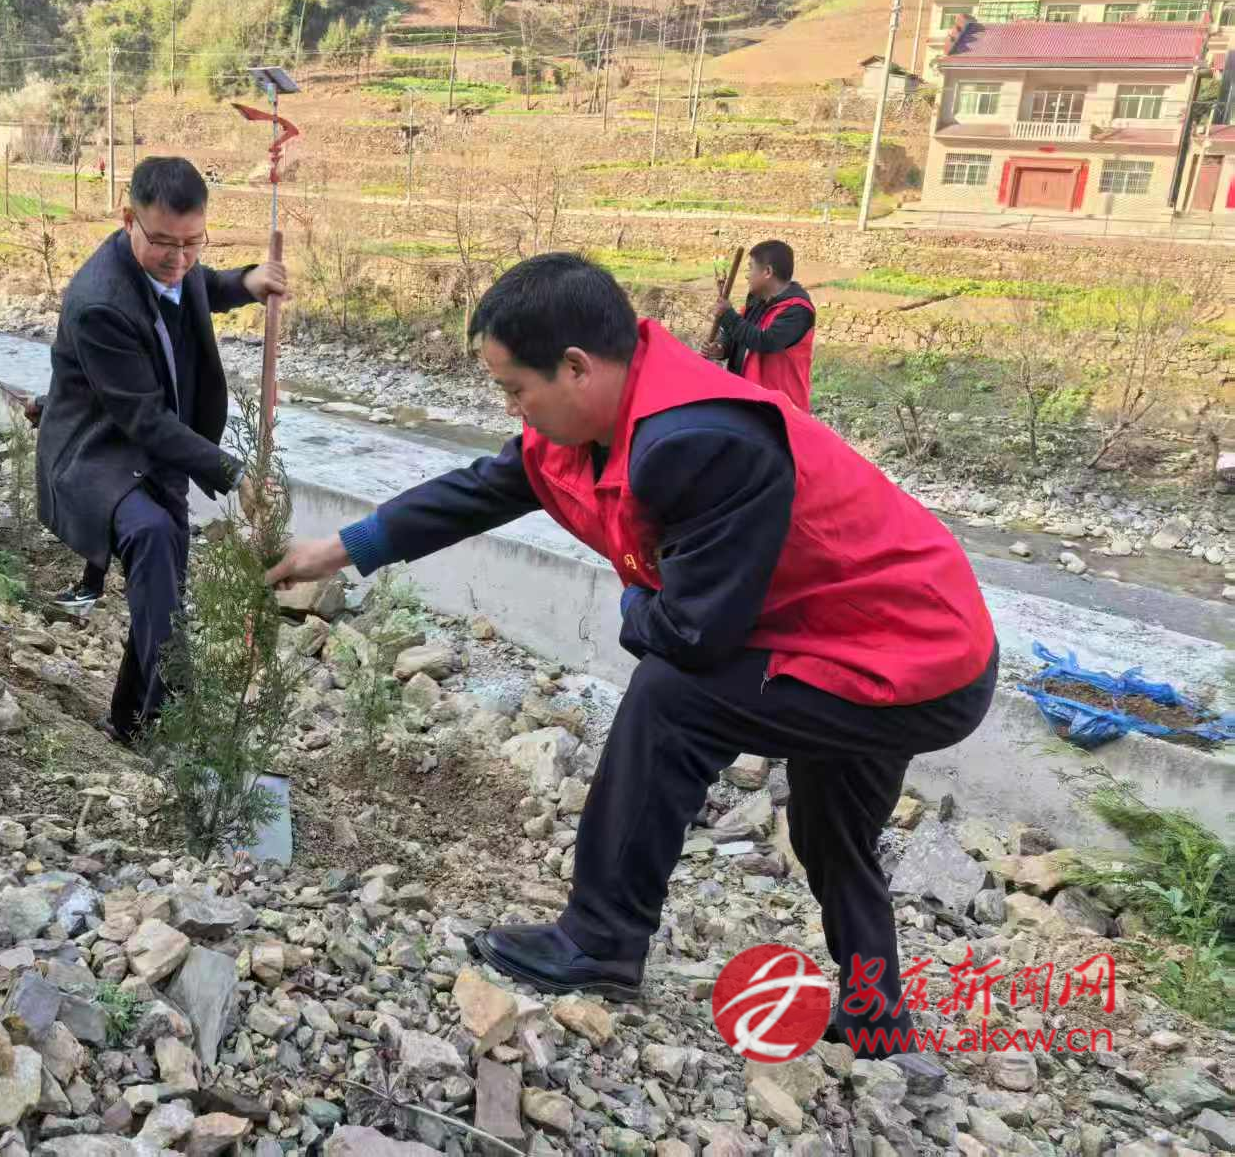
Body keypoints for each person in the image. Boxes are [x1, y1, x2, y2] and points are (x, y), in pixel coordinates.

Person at [266, 254, 997, 1062]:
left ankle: (602, 936)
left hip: (915, 653)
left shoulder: (698, 442)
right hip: (862, 631)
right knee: (831, 827)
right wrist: (337, 549)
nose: (511, 408)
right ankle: (878, 1017)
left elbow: (692, 634)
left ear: (577, 367)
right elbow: (481, 489)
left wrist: (632, 602)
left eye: (516, 389)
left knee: (673, 697)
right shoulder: (595, 422)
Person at [35, 156, 288, 743]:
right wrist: (234, 473)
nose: (179, 259)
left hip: (159, 450)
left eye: (192, 242)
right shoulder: (100, 303)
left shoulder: (176, 262)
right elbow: (143, 419)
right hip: (98, 451)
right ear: (130, 220)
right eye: (165, 244)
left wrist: (247, 283)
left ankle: (133, 722)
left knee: (164, 585)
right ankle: (177, 719)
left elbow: (202, 284)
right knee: (152, 538)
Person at [702, 239, 815, 413]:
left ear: (767, 272)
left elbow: (765, 342)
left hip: (780, 409)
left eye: (750, 268)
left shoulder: (798, 310)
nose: (747, 275)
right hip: (749, 400)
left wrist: (727, 315)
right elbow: (738, 333)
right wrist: (721, 347)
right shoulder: (756, 299)